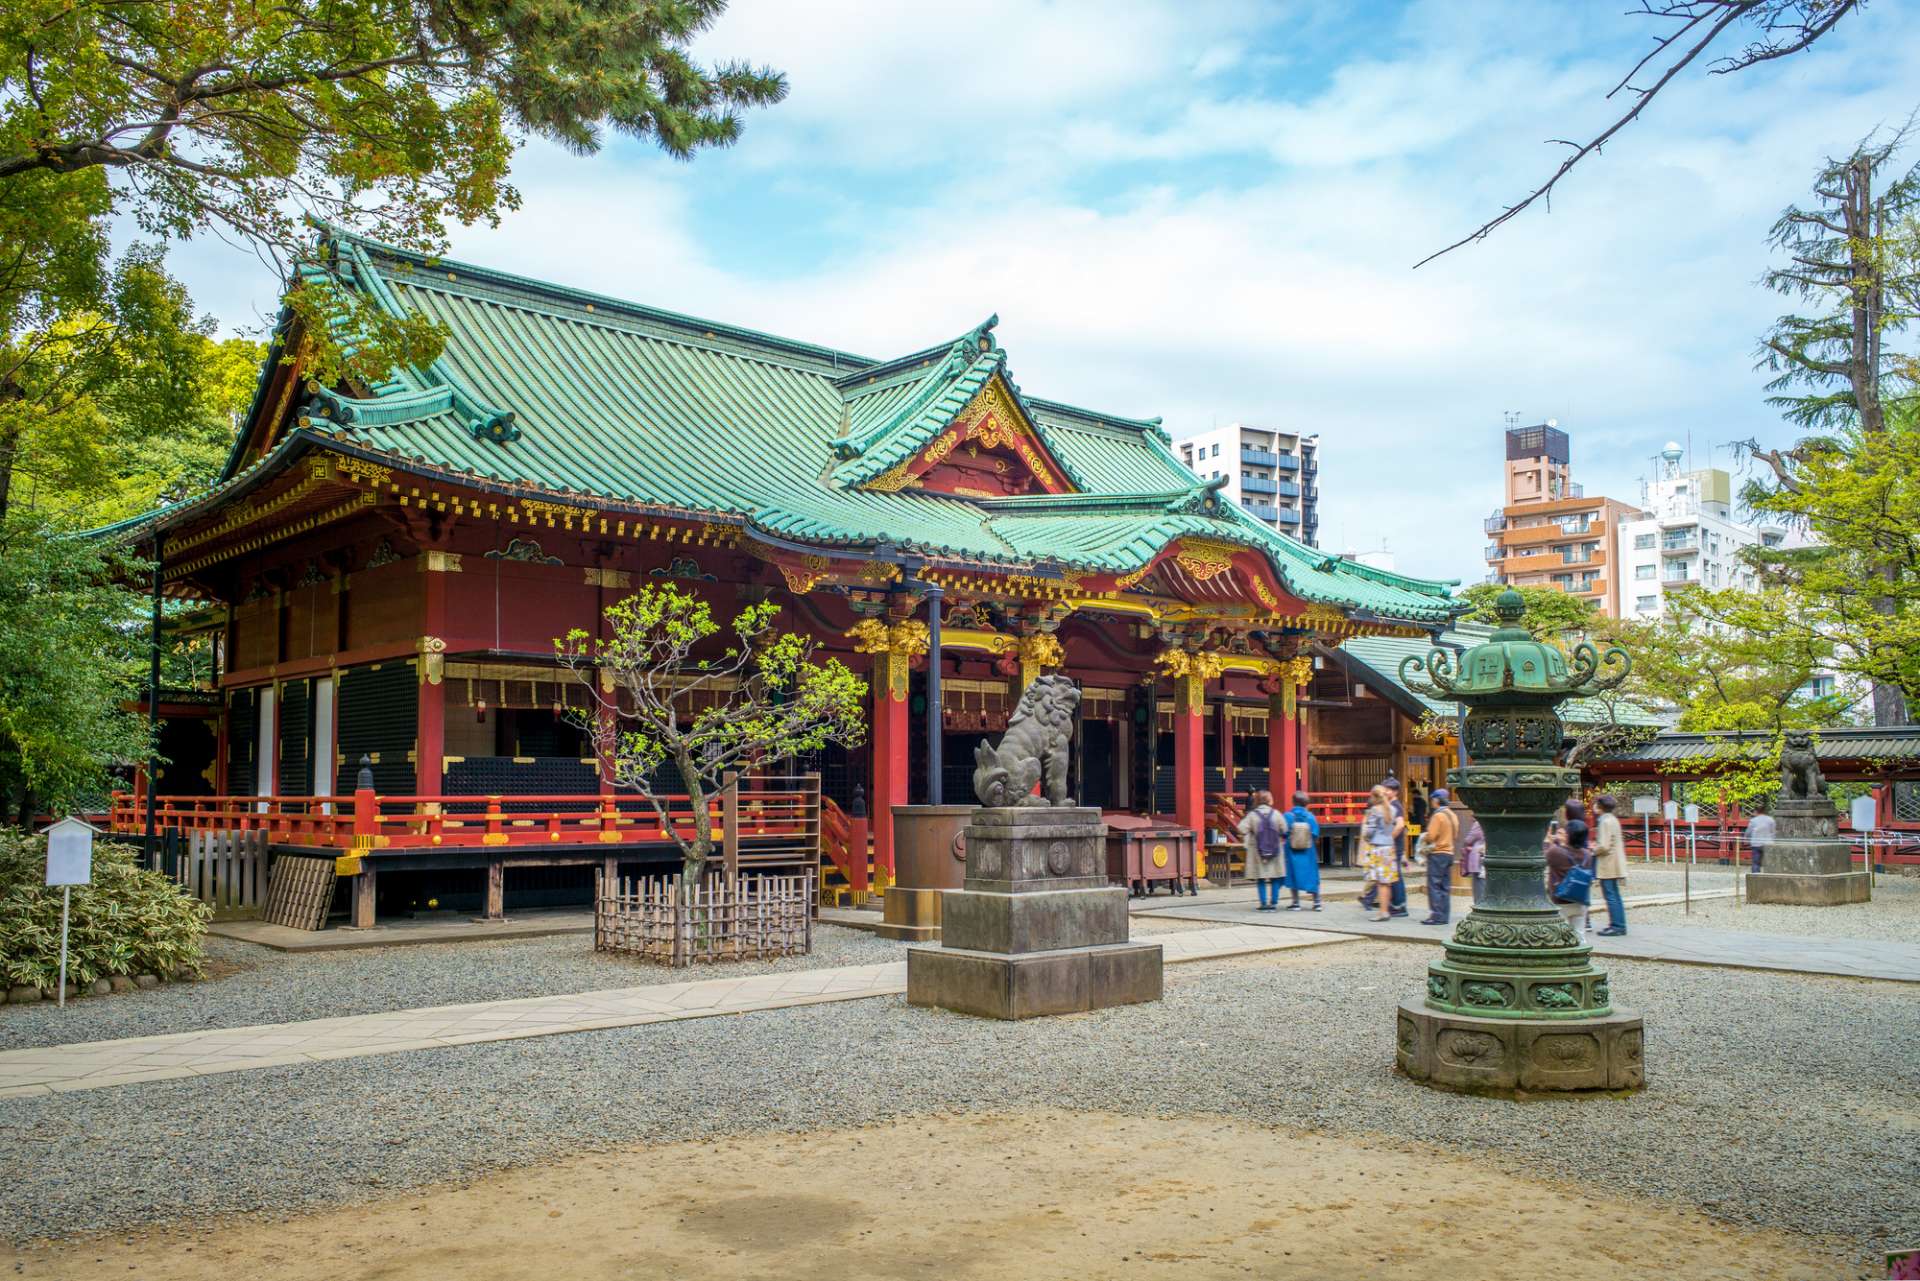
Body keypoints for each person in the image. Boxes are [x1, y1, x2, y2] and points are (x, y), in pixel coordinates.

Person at [1545, 818, 1594, 942]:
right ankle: (1582, 958)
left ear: (1569, 836)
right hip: (1580, 899)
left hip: (1561, 901)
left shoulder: (1556, 851)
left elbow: (1541, 859)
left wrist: (1550, 841)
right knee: (1580, 935)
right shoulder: (1587, 854)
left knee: (1559, 937)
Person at [1237, 790, 1286, 911]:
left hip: (1258, 850)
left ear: (1257, 801)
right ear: (1270, 800)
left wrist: (1251, 833)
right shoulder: (1276, 814)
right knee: (1275, 876)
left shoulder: (1253, 815)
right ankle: (1273, 903)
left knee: (1261, 878)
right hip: (1275, 849)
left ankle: (1264, 904)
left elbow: (1241, 829)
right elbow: (1285, 829)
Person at [1418, 788, 1459, 925]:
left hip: (1437, 853)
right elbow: (1456, 834)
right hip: (1449, 853)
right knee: (1445, 887)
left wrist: (1425, 837)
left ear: (1436, 800)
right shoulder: (1452, 815)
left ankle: (1436, 915)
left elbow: (1431, 836)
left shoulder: (1438, 816)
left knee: (1434, 885)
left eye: (1432, 799)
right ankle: (1444, 915)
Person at [1359, 784, 1400, 922]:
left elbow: (1369, 831)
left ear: (1375, 797)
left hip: (1378, 848)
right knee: (1386, 882)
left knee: (1380, 882)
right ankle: (1385, 909)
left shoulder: (1374, 811)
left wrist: (1365, 836)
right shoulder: (1393, 810)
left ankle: (1383, 912)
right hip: (1389, 848)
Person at [1593, 794, 1629, 936]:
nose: (1594, 806)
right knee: (1614, 894)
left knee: (1610, 894)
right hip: (1615, 861)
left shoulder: (1604, 821)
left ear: (1600, 807)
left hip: (1608, 862)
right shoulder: (1612, 819)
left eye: (1596, 804)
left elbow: (1604, 845)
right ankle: (1619, 924)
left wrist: (1593, 850)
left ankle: (1617, 925)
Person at [1281, 791, 1322, 911]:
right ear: (1306, 803)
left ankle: (1296, 903)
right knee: (1312, 875)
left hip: (1292, 849)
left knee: (1293, 874)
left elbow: (1284, 832)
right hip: (1308, 850)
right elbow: (1315, 834)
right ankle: (1317, 902)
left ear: (1293, 802)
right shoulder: (1310, 817)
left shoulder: (1288, 816)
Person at [1460, 813, 1487, 904]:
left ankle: (1479, 906)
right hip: (1485, 855)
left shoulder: (1478, 824)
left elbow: (1469, 839)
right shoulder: (1488, 821)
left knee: (1479, 884)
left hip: (1478, 857)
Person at [1746, 804, 1776, 873]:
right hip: (1768, 843)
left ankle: (1755, 877)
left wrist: (1747, 839)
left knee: (1756, 862)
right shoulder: (1770, 820)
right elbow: (1773, 832)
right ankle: (1769, 875)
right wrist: (1773, 840)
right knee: (1769, 862)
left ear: (1756, 811)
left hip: (1756, 843)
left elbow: (1748, 832)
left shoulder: (1753, 821)